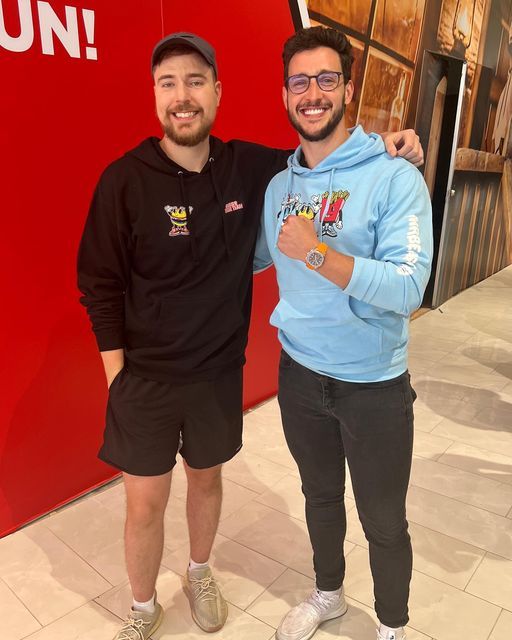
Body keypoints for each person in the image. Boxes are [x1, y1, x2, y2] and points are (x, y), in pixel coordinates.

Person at [77, 31, 425, 640]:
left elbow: (399, 278)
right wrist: (117, 378)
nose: (182, 96)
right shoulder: (150, 180)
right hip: (214, 377)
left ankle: (380, 623)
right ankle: (157, 607)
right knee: (167, 504)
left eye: (194, 81)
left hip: (299, 378)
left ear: (217, 92)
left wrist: (390, 145)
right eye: (168, 83)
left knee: (365, 517)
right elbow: (107, 283)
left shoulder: (313, 171)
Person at [255, 26, 433, 640]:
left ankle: (392, 626)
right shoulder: (279, 188)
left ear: (348, 88)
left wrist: (316, 254)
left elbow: (410, 288)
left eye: (326, 79)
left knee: (384, 519)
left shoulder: (393, 175)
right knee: (320, 498)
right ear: (285, 95)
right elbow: (248, 257)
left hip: (374, 385)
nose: (313, 93)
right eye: (299, 82)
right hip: (299, 374)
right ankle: (327, 594)